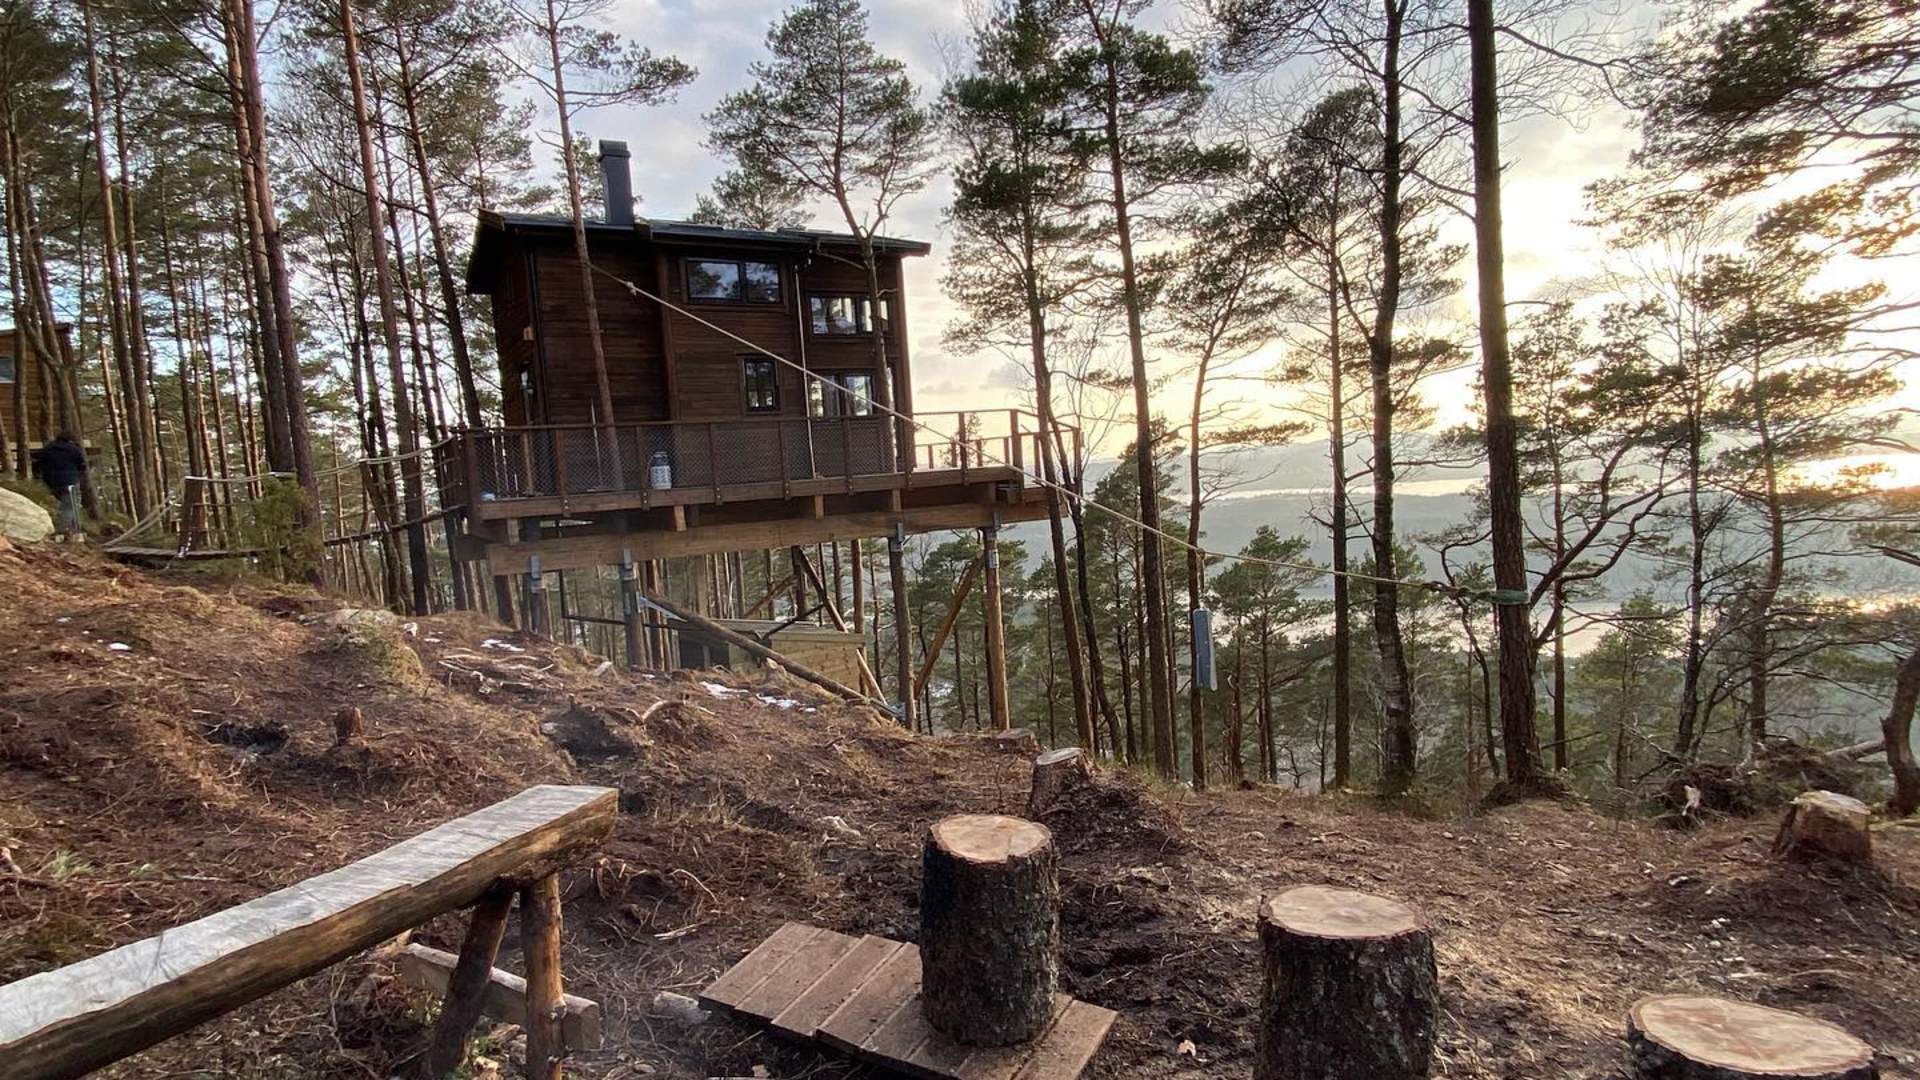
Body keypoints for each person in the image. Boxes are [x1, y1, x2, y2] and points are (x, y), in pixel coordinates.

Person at [35, 432, 86, 540]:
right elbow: (82, 465)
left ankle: (74, 531)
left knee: (69, 506)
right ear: (70, 440)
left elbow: (37, 465)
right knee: (70, 507)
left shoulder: (48, 449)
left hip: (52, 483)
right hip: (70, 481)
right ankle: (61, 533)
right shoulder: (73, 449)